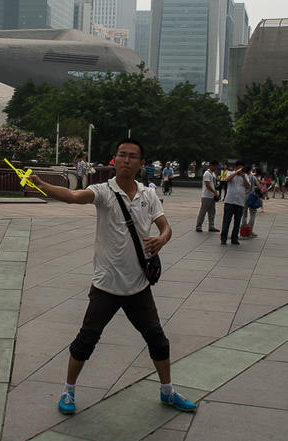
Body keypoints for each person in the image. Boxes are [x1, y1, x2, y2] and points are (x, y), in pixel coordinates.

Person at [28, 139, 198, 416]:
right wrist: (41, 185)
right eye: (122, 155)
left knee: (158, 340)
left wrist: (161, 240)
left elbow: (166, 227)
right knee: (86, 339)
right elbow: (72, 196)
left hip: (138, 287)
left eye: (133, 156)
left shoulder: (148, 195)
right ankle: (68, 391)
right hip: (106, 286)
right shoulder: (103, 192)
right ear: (114, 160)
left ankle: (167, 391)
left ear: (141, 163)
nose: (126, 160)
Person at [219, 161, 250, 245]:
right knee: (226, 221)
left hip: (240, 202)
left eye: (242, 168)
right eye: (239, 167)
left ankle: (234, 238)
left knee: (237, 222)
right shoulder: (230, 173)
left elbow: (248, 186)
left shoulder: (245, 176)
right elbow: (227, 179)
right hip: (229, 201)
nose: (241, 169)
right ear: (235, 167)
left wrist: (243, 176)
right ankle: (223, 238)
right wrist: (236, 172)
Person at [195, 161, 220, 233]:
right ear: (211, 165)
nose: (216, 168)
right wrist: (215, 192)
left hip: (212, 196)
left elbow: (213, 185)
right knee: (203, 211)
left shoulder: (213, 174)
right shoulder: (207, 173)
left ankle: (211, 226)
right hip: (206, 195)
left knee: (212, 212)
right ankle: (198, 226)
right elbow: (207, 185)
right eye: (215, 166)